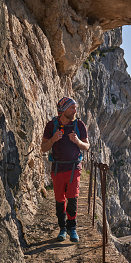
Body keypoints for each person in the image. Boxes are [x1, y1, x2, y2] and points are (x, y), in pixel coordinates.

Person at [41, 97, 90, 242]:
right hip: (57, 168)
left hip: (74, 167)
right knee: (59, 200)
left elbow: (87, 146)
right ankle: (62, 229)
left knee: (72, 199)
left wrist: (77, 141)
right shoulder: (51, 126)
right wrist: (53, 139)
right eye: (72, 108)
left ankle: (72, 228)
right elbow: (43, 148)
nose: (75, 111)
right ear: (63, 110)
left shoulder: (79, 125)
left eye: (75, 108)